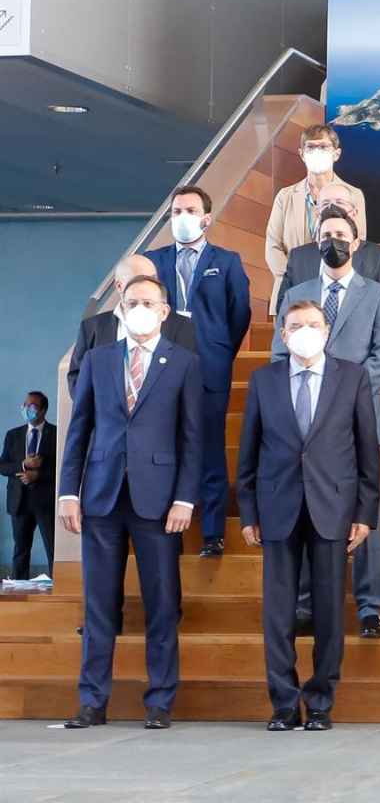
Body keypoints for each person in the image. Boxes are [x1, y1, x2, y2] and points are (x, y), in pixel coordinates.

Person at [58, 275, 202, 730]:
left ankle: (159, 701)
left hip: (159, 502)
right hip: (101, 497)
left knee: (162, 603)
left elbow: (193, 439)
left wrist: (185, 498)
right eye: (132, 301)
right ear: (121, 307)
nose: (139, 308)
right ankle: (91, 700)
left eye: (149, 302)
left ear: (165, 311)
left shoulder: (184, 363)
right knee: (98, 604)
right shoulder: (99, 360)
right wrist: (67, 491)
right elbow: (79, 429)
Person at [238, 300, 380, 732]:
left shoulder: (352, 377)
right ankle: (283, 703)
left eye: (313, 324)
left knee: (329, 610)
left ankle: (320, 702)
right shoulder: (263, 380)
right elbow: (248, 453)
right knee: (277, 613)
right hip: (277, 508)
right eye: (296, 325)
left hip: (333, 508)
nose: (305, 331)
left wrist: (365, 513)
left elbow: (367, 451)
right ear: (282, 334)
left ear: (326, 330)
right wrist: (247, 512)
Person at [271, 210, 380, 640]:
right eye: (326, 235)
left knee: (365, 515)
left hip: (359, 424)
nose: (333, 241)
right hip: (303, 427)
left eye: (341, 235)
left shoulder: (378, 295)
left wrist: (342, 396)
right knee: (306, 512)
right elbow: (277, 356)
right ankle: (307, 604)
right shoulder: (298, 293)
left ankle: (369, 607)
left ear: (356, 243)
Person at [145, 185, 251, 559]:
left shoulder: (228, 261)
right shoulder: (153, 260)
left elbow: (239, 315)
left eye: (190, 210)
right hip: (162, 369)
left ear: (207, 218)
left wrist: (219, 348)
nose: (182, 217)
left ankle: (212, 531)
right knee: (164, 446)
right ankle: (165, 525)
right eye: (176, 211)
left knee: (209, 447)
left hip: (210, 367)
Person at [264, 125, 368, 308]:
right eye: (311, 147)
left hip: (337, 292)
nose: (316, 151)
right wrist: (295, 281)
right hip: (291, 293)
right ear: (301, 153)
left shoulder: (353, 194)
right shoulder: (285, 196)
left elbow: (357, 242)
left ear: (336, 153)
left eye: (323, 147)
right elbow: (273, 246)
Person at [67, 255, 197, 400]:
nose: (148, 286)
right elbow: (77, 377)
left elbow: (188, 382)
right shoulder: (93, 327)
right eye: (139, 280)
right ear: (119, 286)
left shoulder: (181, 326)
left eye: (153, 278)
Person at [271, 186, 380, 315]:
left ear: (354, 212)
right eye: (325, 203)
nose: (332, 208)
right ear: (317, 213)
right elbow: (284, 305)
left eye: (340, 202)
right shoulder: (298, 257)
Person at [2, 392, 55, 579]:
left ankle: (59, 590)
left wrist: (38, 475)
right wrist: (24, 465)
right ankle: (19, 591)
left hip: (45, 503)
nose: (26, 409)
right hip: (19, 501)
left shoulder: (56, 434)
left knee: (52, 549)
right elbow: (3, 465)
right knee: (20, 551)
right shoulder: (13, 435)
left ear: (43, 410)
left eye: (32, 407)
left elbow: (63, 468)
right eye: (25, 405)